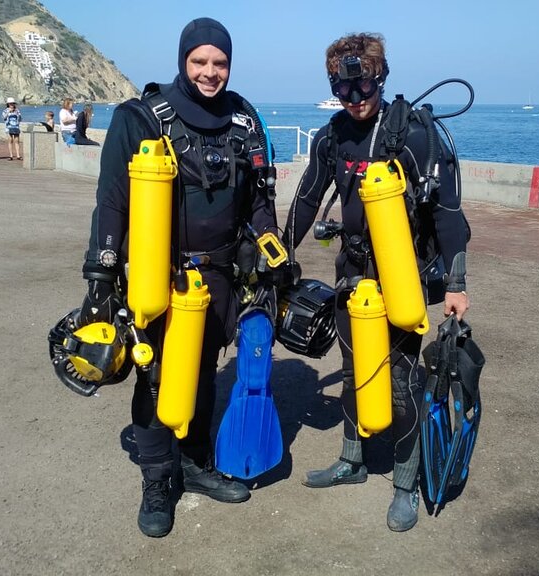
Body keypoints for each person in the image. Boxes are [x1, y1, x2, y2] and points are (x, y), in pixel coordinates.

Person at [79, 17, 279, 538]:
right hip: (158, 274)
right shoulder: (142, 117)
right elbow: (112, 202)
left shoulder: (244, 119)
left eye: (219, 63)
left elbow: (259, 197)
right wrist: (100, 273)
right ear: (183, 60)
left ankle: (193, 462)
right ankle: (157, 479)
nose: (210, 73)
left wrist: (271, 249)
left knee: (206, 369)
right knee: (156, 376)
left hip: (220, 275)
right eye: (199, 62)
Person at [282, 33, 471, 532]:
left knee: (403, 382)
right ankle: (353, 459)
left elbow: (449, 213)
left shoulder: (414, 136)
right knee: (352, 371)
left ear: (380, 77)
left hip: (402, 279)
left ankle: (405, 483)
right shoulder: (330, 136)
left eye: (362, 85)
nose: (354, 98)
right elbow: (305, 199)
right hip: (352, 276)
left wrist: (456, 281)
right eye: (342, 90)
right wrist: (279, 255)